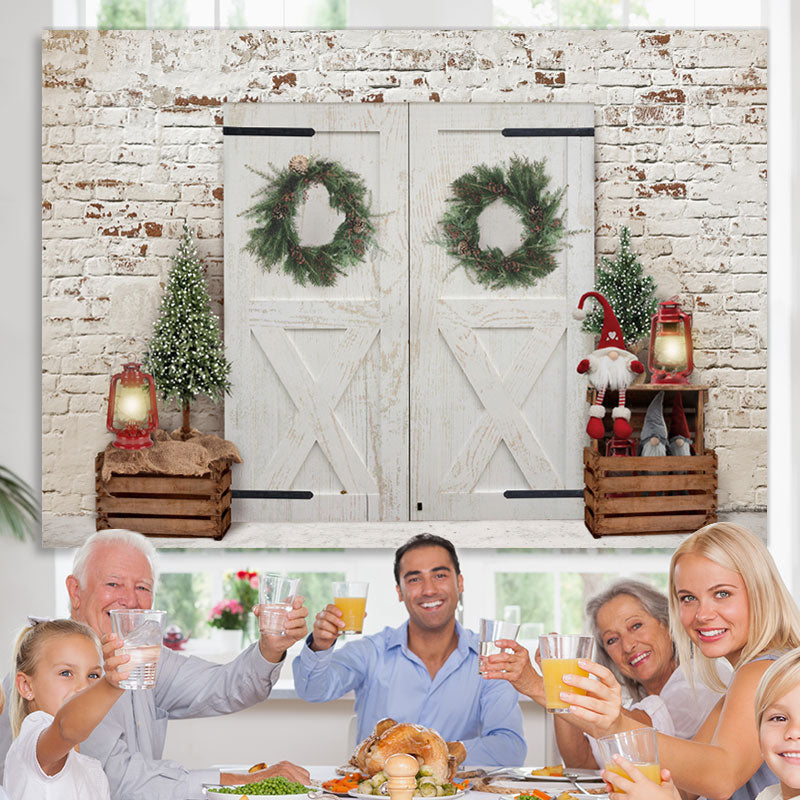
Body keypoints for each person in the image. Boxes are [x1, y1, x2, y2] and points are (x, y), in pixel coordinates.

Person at [0, 529, 311, 800]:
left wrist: (270, 649)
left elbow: (225, 687)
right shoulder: (48, 672)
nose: (130, 601)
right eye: (113, 583)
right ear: (74, 592)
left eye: (143, 588)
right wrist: (243, 782)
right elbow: (122, 783)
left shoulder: (143, 657)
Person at [554, 523, 800, 800]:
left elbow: (720, 777)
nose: (702, 614)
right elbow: (687, 790)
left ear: (760, 591)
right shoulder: (753, 671)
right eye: (688, 598)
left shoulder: (765, 669)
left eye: (722, 593)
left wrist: (616, 726)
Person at [292, 533, 526, 766]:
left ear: (460, 583)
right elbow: (312, 690)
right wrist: (320, 645)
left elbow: (510, 748)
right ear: (399, 592)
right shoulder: (371, 653)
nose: (429, 590)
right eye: (414, 579)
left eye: (440, 575)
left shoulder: (490, 661)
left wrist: (434, 754)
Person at [483, 579, 725, 767]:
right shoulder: (635, 703)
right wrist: (555, 681)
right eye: (612, 640)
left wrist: (540, 686)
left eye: (636, 626)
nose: (628, 645)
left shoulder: (702, 678)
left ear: (668, 625)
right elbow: (582, 764)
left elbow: (646, 735)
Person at [4, 618, 129, 799]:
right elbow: (66, 728)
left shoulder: (92, 771)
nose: (83, 687)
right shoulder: (30, 745)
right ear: (26, 686)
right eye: (66, 673)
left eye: (93, 675)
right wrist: (112, 685)